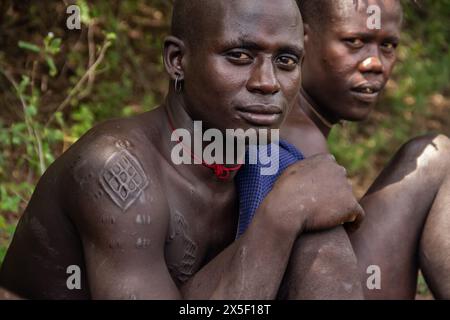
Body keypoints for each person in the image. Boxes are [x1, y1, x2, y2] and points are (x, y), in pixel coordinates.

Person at [0, 0, 363, 299]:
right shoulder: (115, 169)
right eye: (239, 55)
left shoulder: (265, 162)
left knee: (316, 224)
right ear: (177, 60)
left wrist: (298, 210)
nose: (267, 83)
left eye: (286, 61)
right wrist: (279, 218)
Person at [279, 0, 450, 299]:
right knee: (435, 157)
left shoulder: (285, 115)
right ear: (300, 41)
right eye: (354, 42)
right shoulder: (298, 136)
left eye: (388, 45)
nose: (375, 63)